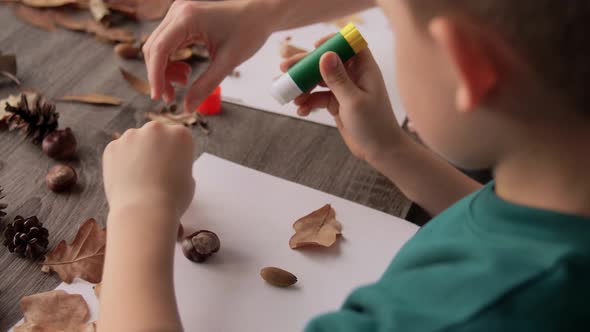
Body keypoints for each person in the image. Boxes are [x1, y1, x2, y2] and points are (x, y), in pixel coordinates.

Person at [98, 0, 590, 331]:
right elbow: (515, 235)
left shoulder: (453, 312)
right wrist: (394, 152)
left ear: (468, 67)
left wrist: (141, 210)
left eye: (393, 24)